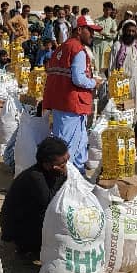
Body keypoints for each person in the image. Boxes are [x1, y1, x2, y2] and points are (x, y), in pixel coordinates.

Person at [42, 15, 102, 174]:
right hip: (72, 105)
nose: (93, 35)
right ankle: (63, 180)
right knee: (67, 146)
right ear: (80, 30)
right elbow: (78, 78)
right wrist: (94, 82)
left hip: (61, 103)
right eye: (90, 31)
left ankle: (78, 177)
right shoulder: (78, 50)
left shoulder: (62, 48)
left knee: (80, 143)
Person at [0, 137, 69, 256]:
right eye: (62, 164)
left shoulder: (49, 173)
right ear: (47, 165)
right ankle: (28, 248)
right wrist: (62, 176)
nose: (66, 166)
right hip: (19, 229)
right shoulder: (35, 177)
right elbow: (49, 202)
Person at [108, 18, 137, 112]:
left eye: (133, 31)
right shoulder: (117, 46)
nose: (131, 33)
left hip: (135, 84)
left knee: (134, 110)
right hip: (121, 86)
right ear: (124, 31)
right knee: (123, 111)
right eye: (129, 31)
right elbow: (111, 68)